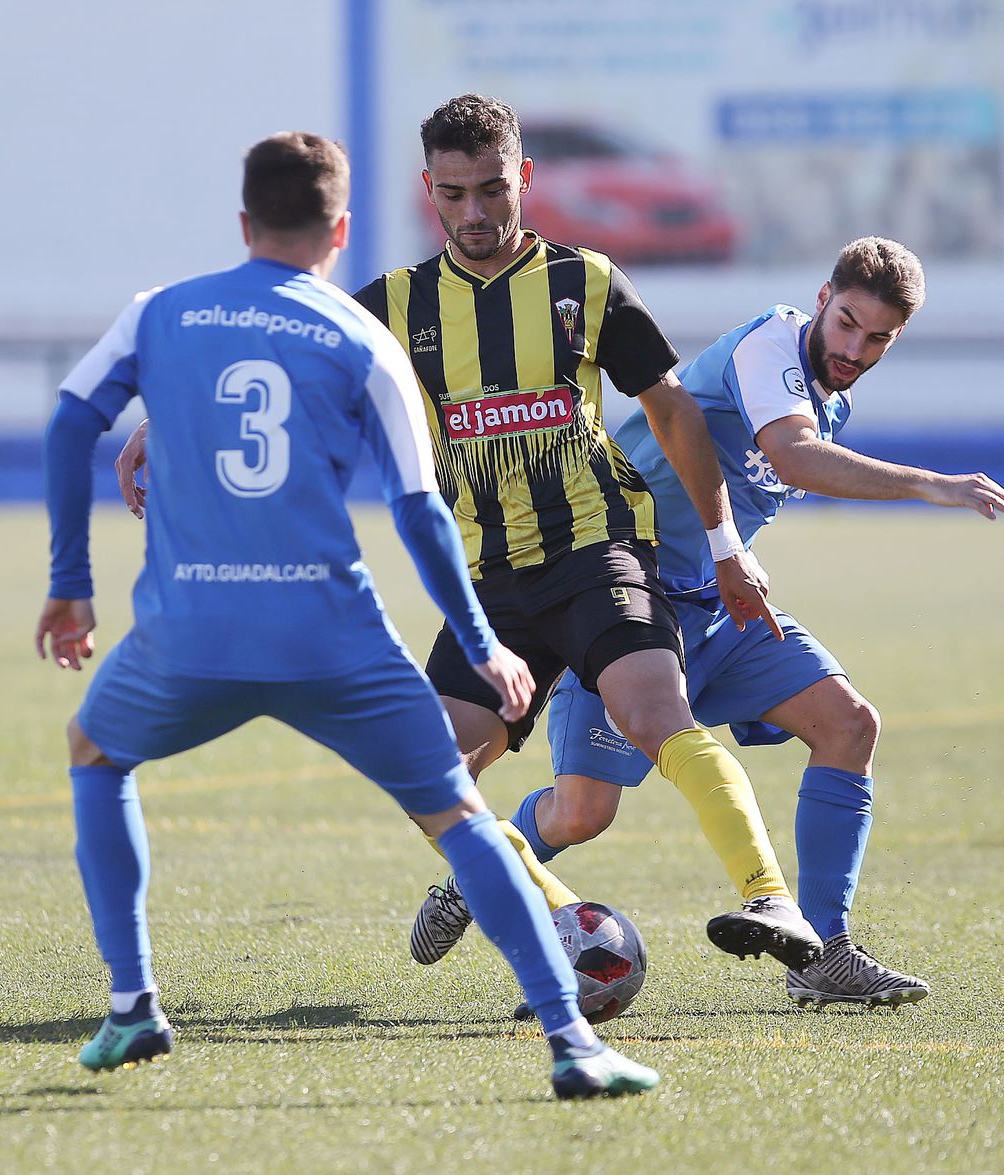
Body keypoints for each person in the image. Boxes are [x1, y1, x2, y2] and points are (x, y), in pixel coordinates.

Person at [35, 131, 656, 1098]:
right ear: (340, 231)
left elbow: (72, 418)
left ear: (244, 222)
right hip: (330, 637)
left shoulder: (160, 311)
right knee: (461, 816)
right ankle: (573, 1043)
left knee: (94, 751)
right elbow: (419, 509)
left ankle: (133, 1001)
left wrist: (70, 584)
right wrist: (481, 640)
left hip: (192, 631)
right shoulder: (364, 335)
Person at [418, 238, 1004, 1010]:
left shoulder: (830, 396)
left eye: (878, 338)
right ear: (822, 298)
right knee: (582, 812)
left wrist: (733, 559)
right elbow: (795, 459)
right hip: (617, 599)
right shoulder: (770, 343)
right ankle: (473, 874)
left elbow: (762, 477)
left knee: (850, 725)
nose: (854, 349)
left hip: (714, 609)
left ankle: (824, 951)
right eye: (846, 323)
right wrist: (933, 485)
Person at [345, 94, 825, 970]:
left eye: (492, 188)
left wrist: (726, 546)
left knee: (654, 713)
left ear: (525, 176)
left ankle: (771, 898)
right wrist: (170, 422)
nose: (475, 212)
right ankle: (568, 917)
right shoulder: (393, 305)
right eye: (453, 194)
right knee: (425, 772)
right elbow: (292, 365)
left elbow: (673, 411)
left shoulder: (586, 282)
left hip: (597, 550)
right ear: (428, 189)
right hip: (489, 582)